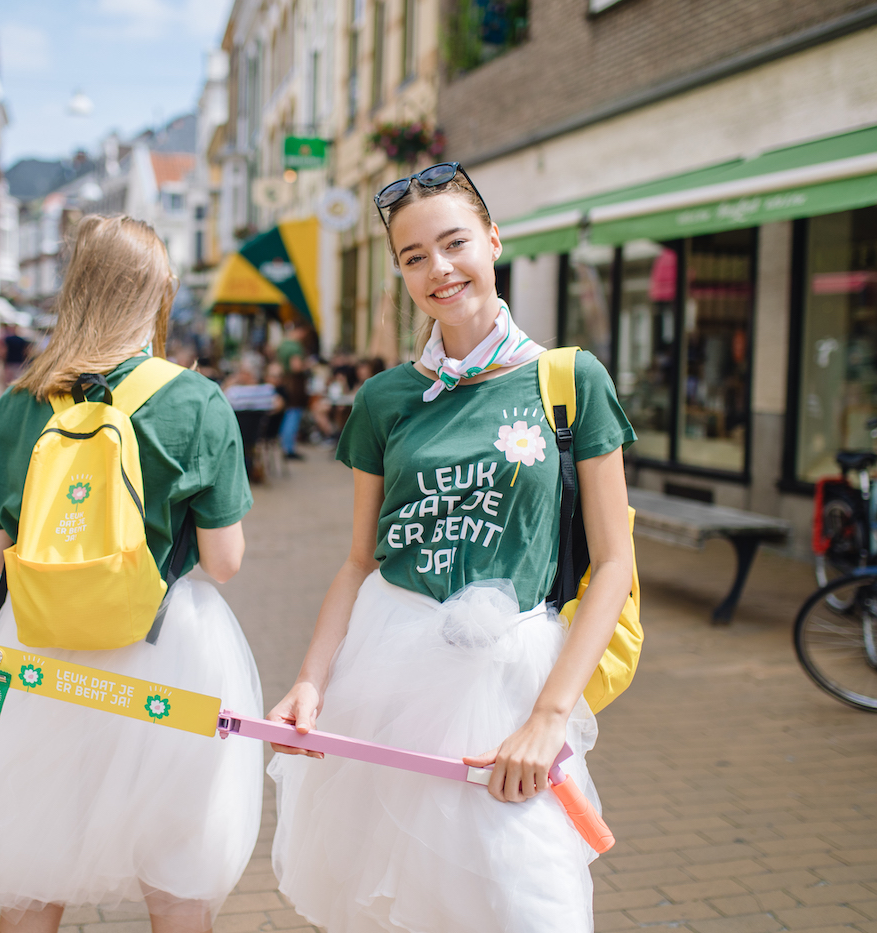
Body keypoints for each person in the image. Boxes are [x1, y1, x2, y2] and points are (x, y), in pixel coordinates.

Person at [0, 215, 262, 933]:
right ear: (160, 294)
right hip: (167, 650)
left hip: (39, 652)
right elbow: (226, 563)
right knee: (175, 884)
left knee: (33, 873)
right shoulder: (196, 401)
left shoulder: (16, 404)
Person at [265, 163, 636, 932]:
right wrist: (309, 681)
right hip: (386, 674)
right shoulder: (383, 400)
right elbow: (359, 560)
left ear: (493, 240)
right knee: (394, 907)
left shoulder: (569, 380)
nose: (439, 269)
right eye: (413, 256)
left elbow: (615, 562)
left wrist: (550, 715)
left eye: (454, 242)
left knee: (526, 903)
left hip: (512, 689)